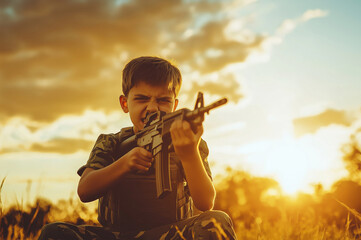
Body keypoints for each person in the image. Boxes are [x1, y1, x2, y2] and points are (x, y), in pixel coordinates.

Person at [38, 56, 237, 239]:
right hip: (115, 235)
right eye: (142, 99)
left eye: (163, 100)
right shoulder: (111, 142)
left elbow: (205, 203)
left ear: (174, 105)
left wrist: (189, 154)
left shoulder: (189, 141)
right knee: (54, 232)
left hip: (169, 234)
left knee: (216, 221)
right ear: (125, 103)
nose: (152, 107)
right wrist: (124, 164)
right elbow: (85, 191)